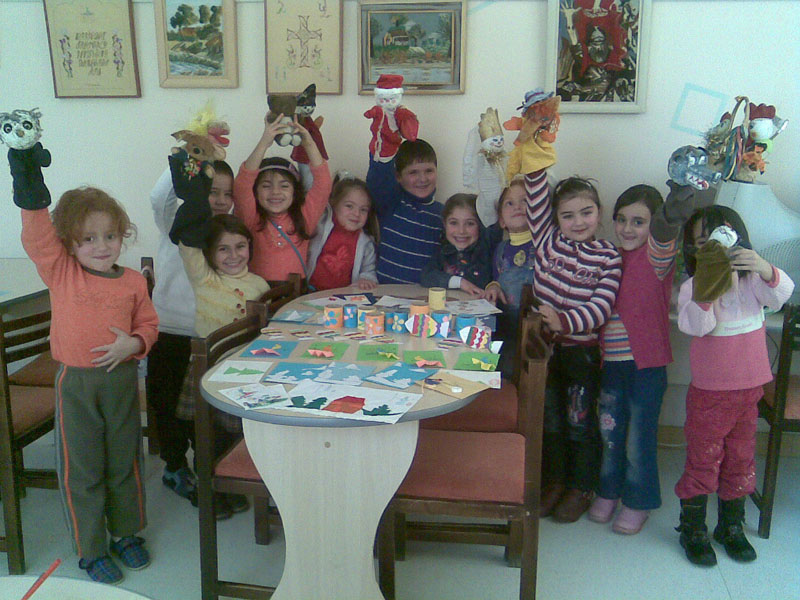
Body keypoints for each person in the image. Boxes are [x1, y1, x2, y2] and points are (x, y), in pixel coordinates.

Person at [8, 146, 158, 584]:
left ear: (122, 236)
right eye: (88, 239)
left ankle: (126, 532)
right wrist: (27, 177)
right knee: (83, 468)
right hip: (76, 384)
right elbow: (38, 235)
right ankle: (90, 548)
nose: (101, 246)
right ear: (69, 243)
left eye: (110, 236)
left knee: (125, 461)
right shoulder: (62, 273)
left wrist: (134, 343)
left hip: (121, 381)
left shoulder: (133, 282)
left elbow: (149, 325)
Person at [589, 183, 712, 535]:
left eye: (638, 222)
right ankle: (608, 491)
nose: (628, 229)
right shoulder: (609, 257)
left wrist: (678, 197)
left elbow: (665, 230)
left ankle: (638, 501)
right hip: (611, 365)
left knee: (638, 439)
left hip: (646, 367)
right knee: (610, 432)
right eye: (622, 219)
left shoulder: (657, 257)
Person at [674, 205, 793, 566]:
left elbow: (782, 294)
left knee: (741, 459)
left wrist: (762, 267)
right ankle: (693, 527)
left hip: (750, 390)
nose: (717, 250)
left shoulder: (752, 282)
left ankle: (731, 525)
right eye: (703, 244)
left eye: (724, 240)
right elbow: (696, 326)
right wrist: (708, 287)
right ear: (694, 251)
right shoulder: (693, 287)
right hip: (710, 394)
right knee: (704, 460)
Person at [167, 150, 271, 520]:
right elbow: (188, 246)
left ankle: (229, 485)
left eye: (240, 247)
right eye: (222, 249)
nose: (232, 255)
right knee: (207, 438)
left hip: (245, 374)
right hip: (209, 371)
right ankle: (210, 493)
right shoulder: (204, 278)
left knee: (234, 435)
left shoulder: (259, 284)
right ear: (209, 254)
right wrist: (195, 192)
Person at [526, 171, 623, 523]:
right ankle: (554, 482)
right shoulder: (547, 239)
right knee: (549, 420)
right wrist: (535, 158)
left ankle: (581, 487)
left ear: (599, 212)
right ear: (555, 219)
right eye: (567, 215)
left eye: (586, 212)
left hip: (580, 355)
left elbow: (601, 308)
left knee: (579, 422)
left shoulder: (609, 256)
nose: (578, 222)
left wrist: (563, 322)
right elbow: (535, 195)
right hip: (543, 351)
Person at [147, 159, 234, 506]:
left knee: (206, 409)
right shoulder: (175, 221)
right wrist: (189, 157)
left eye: (227, 193)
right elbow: (159, 197)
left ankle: (210, 471)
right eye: (213, 191)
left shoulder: (227, 232)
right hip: (170, 330)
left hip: (211, 335)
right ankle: (174, 468)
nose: (220, 199)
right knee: (167, 405)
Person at [233, 113, 332, 281]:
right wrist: (264, 142)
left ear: (295, 191)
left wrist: (308, 143)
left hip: (295, 292)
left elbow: (323, 183)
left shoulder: (305, 217)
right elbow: (242, 184)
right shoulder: (251, 218)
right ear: (255, 191)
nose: (275, 192)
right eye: (266, 185)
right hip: (258, 293)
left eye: (284, 186)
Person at [367, 138, 443, 284]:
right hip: (385, 293)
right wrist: (387, 139)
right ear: (398, 177)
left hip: (424, 295)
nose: (423, 179)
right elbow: (379, 177)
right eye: (413, 172)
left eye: (429, 171)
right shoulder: (391, 203)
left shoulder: (444, 215)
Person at [484, 179, 536, 378]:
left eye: (525, 201)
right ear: (502, 221)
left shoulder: (543, 244)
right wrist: (494, 286)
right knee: (502, 370)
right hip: (506, 325)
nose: (518, 207)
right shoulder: (501, 249)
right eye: (510, 203)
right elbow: (496, 278)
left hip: (532, 327)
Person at [307, 175, 379, 291]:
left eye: (363, 209)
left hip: (344, 296)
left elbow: (369, 269)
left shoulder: (366, 242)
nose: (356, 214)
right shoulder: (320, 226)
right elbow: (311, 189)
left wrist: (366, 279)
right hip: (311, 292)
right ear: (334, 204)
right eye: (349, 206)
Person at [421, 192, 492, 297]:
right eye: (454, 223)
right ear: (444, 224)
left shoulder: (486, 250)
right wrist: (460, 282)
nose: (461, 231)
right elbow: (426, 276)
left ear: (480, 225)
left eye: (470, 223)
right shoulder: (444, 252)